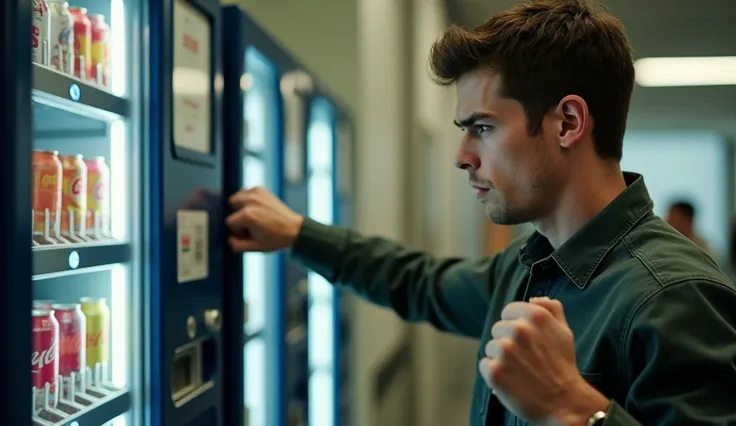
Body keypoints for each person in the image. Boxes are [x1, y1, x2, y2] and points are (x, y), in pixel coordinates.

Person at [226, 1, 736, 425]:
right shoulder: (529, 267)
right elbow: (418, 281)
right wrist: (297, 234)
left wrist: (576, 408)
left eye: (483, 127)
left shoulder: (674, 295)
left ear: (568, 123)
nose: (461, 154)